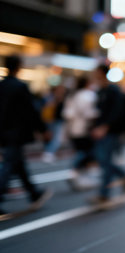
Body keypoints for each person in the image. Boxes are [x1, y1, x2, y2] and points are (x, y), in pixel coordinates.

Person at [0, 55, 53, 218]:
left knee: (17, 163)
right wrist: (43, 129)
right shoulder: (20, 87)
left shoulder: (1, 86)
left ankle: (34, 193)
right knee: (10, 164)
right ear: (18, 67)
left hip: (2, 131)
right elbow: (31, 111)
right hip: (16, 132)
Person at [89, 65, 125, 204]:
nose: (95, 75)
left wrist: (105, 127)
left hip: (111, 131)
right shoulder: (99, 91)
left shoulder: (112, 90)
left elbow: (116, 111)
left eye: (96, 72)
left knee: (105, 161)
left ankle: (104, 194)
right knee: (103, 161)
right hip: (100, 131)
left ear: (102, 73)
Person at [63, 77, 99, 191]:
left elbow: (67, 114)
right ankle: (73, 172)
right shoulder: (88, 95)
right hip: (85, 128)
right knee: (85, 152)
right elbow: (90, 113)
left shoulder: (72, 96)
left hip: (73, 128)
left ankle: (80, 177)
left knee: (81, 151)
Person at [41, 84, 67, 163]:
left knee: (52, 137)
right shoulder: (53, 98)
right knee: (55, 138)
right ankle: (48, 153)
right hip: (53, 120)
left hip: (54, 120)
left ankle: (48, 152)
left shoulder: (52, 97)